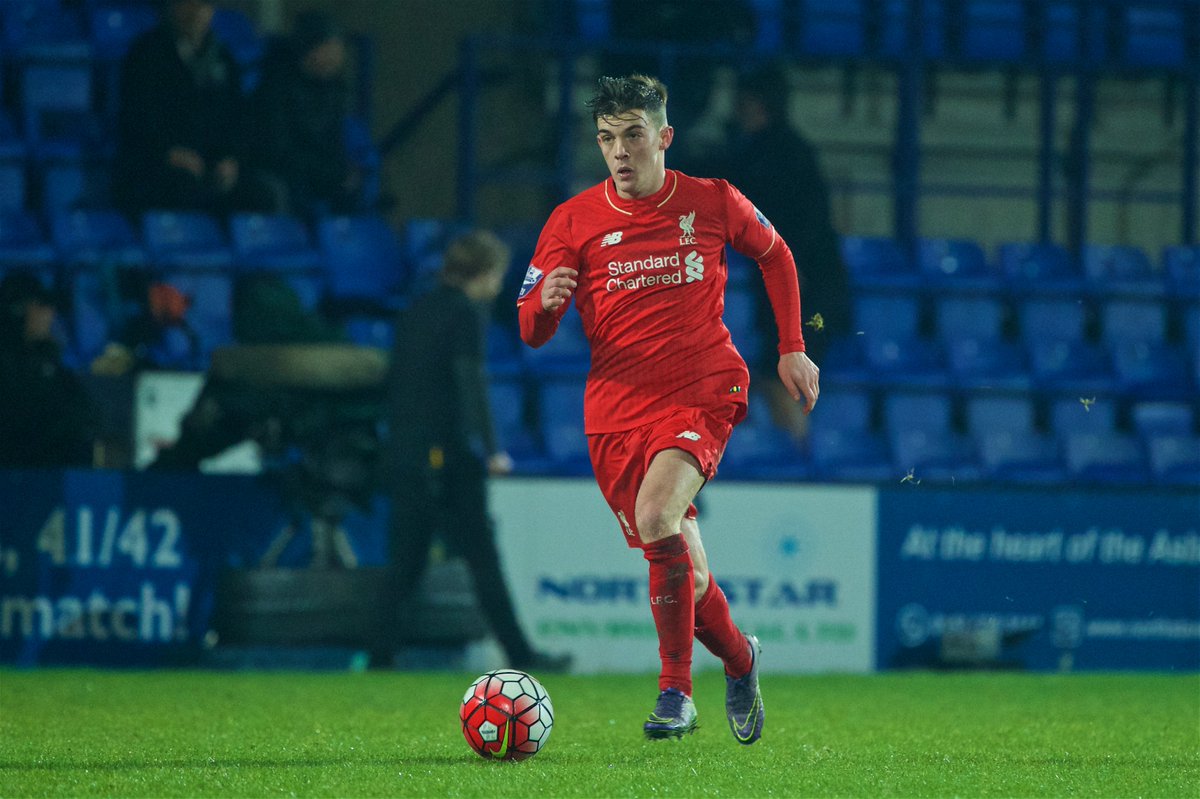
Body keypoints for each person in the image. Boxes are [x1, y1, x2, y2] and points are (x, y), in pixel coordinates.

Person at [517, 75, 819, 743]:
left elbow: (777, 255)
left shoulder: (712, 199)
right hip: (616, 410)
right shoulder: (571, 220)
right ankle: (741, 659)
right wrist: (544, 306)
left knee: (658, 514)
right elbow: (529, 330)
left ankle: (675, 692)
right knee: (689, 569)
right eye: (606, 138)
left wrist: (792, 347)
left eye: (633, 134)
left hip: (701, 388)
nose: (619, 151)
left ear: (664, 137)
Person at [379, 230, 569, 673]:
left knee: (406, 561)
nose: (499, 286)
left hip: (408, 451)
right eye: (498, 275)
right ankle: (521, 654)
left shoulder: (415, 309)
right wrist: (492, 448)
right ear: (483, 274)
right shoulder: (465, 314)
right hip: (449, 455)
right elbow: (469, 381)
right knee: (483, 560)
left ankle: (377, 654)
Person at [708, 63, 851, 441]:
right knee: (773, 373)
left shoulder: (775, 156)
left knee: (783, 374)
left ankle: (801, 456)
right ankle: (796, 452)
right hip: (803, 289)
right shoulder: (780, 150)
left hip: (808, 294)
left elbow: (799, 222)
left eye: (742, 102)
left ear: (756, 104)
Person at [112, 0, 271, 216]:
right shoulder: (145, 53)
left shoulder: (223, 56)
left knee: (259, 194)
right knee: (183, 188)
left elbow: (237, 116)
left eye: (203, 6)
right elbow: (137, 118)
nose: (196, 13)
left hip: (211, 163)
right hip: (158, 163)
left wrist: (230, 158)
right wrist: (170, 153)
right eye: (188, 5)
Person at [249, 10, 364, 218]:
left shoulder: (336, 90)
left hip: (316, 172)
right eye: (329, 48)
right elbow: (276, 150)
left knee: (354, 187)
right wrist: (327, 172)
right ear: (309, 49)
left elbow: (334, 142)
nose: (337, 57)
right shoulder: (275, 87)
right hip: (282, 171)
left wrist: (340, 172)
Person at [0, 271, 96, 469]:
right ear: (18, 309)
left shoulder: (46, 361)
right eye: (41, 305)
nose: (50, 314)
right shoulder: (13, 366)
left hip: (48, 476)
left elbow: (87, 415)